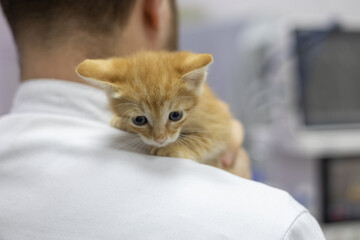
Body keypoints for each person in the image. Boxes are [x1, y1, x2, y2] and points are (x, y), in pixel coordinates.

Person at [0, 0, 324, 239]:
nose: (159, 137)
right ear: (155, 10)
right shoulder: (275, 224)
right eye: (140, 121)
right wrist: (238, 189)